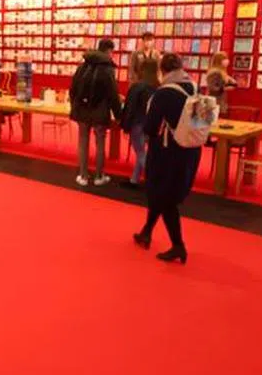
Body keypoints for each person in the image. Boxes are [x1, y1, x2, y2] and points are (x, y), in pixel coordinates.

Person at [133, 53, 202, 264]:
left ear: (162, 70)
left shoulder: (163, 93)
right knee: (160, 194)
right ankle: (146, 231)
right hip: (190, 148)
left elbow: (151, 127)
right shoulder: (194, 87)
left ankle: (178, 245)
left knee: (164, 197)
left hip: (167, 152)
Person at [69, 39, 123, 187]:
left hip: (82, 110)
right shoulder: (107, 69)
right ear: (109, 51)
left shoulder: (83, 66)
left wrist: (75, 105)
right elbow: (113, 94)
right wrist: (118, 115)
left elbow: (73, 88)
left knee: (83, 142)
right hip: (100, 110)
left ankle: (83, 175)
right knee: (100, 143)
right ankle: (99, 176)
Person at [121, 58, 159, 188]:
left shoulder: (137, 86)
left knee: (141, 153)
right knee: (142, 152)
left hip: (137, 123)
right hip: (150, 124)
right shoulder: (157, 86)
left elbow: (130, 108)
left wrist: (125, 125)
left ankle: (155, 182)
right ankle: (134, 179)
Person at [205, 51, 238, 116]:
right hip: (215, 103)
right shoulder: (214, 72)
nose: (227, 60)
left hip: (221, 102)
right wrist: (225, 88)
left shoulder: (222, 72)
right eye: (224, 59)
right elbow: (213, 87)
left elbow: (232, 83)